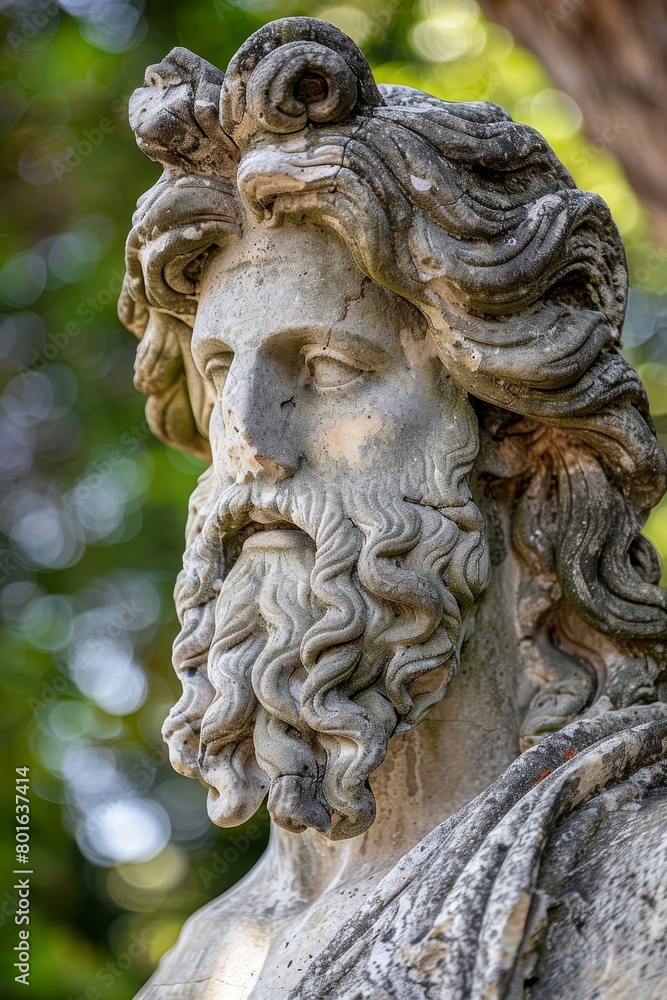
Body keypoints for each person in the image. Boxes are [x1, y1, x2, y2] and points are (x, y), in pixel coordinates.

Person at [118, 18, 667, 999]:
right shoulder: (201, 965)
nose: (245, 444)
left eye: (323, 369)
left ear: (508, 426)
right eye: (216, 376)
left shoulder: (639, 879)